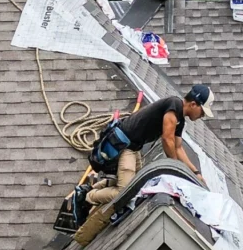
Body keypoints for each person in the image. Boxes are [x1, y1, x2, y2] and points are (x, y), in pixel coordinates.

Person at [85, 84, 214, 207]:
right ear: (193, 104)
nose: (201, 116)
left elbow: (178, 148)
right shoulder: (174, 105)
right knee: (124, 192)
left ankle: (95, 187)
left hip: (134, 148)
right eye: (202, 112)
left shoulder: (179, 120)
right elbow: (167, 139)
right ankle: (88, 198)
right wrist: (175, 168)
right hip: (125, 146)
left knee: (138, 183)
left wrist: (195, 172)